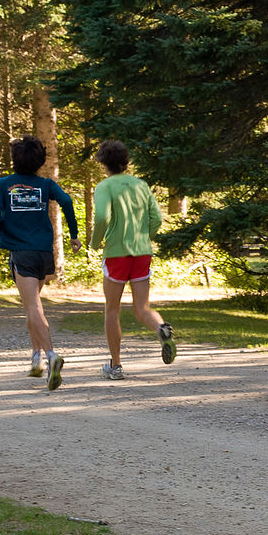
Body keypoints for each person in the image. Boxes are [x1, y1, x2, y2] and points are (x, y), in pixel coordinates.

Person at [0, 135, 81, 390]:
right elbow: (67, 201)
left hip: (21, 251)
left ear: (14, 160)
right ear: (40, 160)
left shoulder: (3, 184)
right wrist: (73, 234)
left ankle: (51, 355)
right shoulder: (46, 184)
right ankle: (36, 358)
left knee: (33, 307)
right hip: (43, 252)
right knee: (32, 306)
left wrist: (4, 232)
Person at [89, 139, 175, 380]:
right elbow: (156, 219)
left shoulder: (105, 186)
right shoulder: (141, 185)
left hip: (117, 254)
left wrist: (95, 243)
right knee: (141, 308)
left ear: (103, 163)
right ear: (126, 161)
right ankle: (161, 329)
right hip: (142, 253)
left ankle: (115, 366)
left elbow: (103, 217)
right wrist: (142, 238)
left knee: (112, 309)